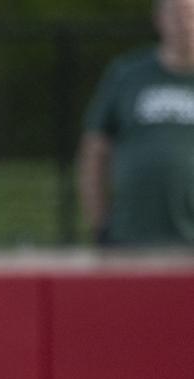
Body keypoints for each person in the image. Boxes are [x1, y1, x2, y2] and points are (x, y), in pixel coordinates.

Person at [79, 0, 194, 247]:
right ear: (159, 19)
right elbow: (95, 151)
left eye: (190, 15)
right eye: (175, 14)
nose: (184, 24)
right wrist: (99, 225)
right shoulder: (127, 75)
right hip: (131, 238)